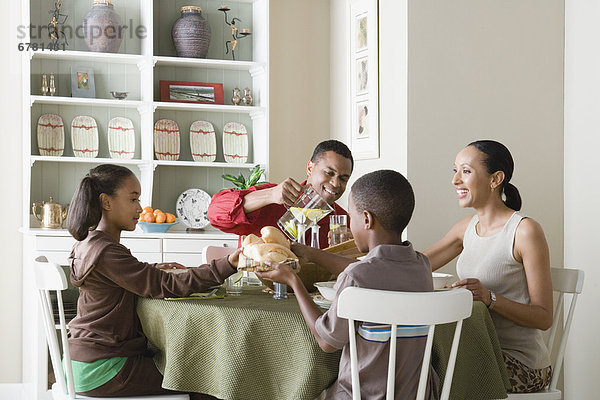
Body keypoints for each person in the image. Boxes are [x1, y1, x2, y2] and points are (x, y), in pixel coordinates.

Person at [257, 170, 439, 400]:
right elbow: (369, 270)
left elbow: (326, 342)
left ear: (366, 219)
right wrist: (313, 254)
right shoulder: (421, 266)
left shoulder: (357, 277)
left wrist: (294, 282)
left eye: (351, 217)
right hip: (418, 395)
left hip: (359, 395)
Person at [65, 164, 240, 398]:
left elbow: (117, 277)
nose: (140, 208)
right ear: (106, 202)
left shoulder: (89, 243)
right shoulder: (108, 252)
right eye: (133, 199)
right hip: (105, 369)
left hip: (82, 360)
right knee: (208, 377)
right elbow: (169, 286)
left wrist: (151, 269)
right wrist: (229, 263)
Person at [424, 140, 553, 393]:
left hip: (521, 364)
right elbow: (416, 265)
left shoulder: (524, 231)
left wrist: (489, 297)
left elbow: (544, 317)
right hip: (476, 350)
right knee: (413, 361)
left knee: (432, 370)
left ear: (495, 179)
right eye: (455, 171)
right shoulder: (466, 228)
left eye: (466, 171)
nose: (455, 181)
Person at [208, 139, 354, 247]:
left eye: (343, 178)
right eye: (329, 173)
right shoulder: (271, 198)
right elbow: (214, 214)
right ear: (310, 168)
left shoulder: (344, 222)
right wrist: (269, 195)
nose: (335, 184)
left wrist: (352, 248)